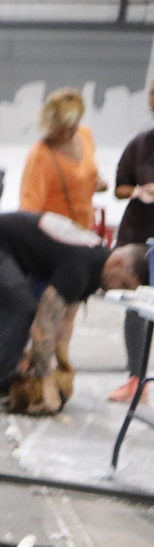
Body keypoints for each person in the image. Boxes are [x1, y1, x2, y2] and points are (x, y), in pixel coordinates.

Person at [0, 211, 147, 410]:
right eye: (123, 284)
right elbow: (44, 322)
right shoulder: (82, 266)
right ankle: (1, 388)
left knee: (16, 311)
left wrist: (63, 366)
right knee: (20, 311)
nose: (119, 290)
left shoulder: (95, 264)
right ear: (118, 264)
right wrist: (43, 377)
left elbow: (65, 321)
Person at [110, 82, 154, 401]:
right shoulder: (141, 144)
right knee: (134, 307)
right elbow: (120, 186)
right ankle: (136, 378)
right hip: (138, 235)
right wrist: (140, 191)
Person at [20, 87, 103, 230]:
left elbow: (85, 175)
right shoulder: (40, 156)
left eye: (72, 127)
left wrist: (97, 183)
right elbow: (28, 209)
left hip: (85, 230)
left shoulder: (85, 135)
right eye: (60, 129)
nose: (66, 134)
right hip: (54, 237)